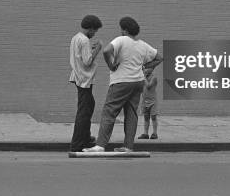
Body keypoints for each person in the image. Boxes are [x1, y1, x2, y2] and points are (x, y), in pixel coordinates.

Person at [84, 16, 163, 152]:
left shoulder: (121, 40)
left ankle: (100, 145)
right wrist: (146, 67)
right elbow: (159, 58)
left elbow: (106, 50)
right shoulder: (143, 45)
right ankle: (128, 146)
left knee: (109, 112)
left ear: (124, 30)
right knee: (131, 113)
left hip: (121, 81)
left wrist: (111, 65)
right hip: (138, 82)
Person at [69, 15, 103, 152]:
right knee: (83, 112)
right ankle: (77, 143)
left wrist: (91, 48)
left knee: (89, 105)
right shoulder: (84, 40)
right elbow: (88, 61)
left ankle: (86, 138)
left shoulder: (76, 38)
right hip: (84, 79)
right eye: (94, 31)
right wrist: (98, 48)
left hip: (78, 77)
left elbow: (81, 55)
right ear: (90, 28)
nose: (94, 33)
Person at [137, 68, 159, 140]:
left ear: (151, 69)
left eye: (147, 68)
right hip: (145, 101)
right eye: (144, 69)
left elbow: (148, 86)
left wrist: (143, 77)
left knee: (153, 117)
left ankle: (154, 133)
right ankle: (145, 134)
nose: (145, 70)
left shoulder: (154, 77)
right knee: (146, 118)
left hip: (153, 102)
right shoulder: (143, 78)